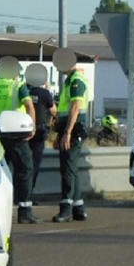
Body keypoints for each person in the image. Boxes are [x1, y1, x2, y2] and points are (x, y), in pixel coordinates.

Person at [0, 57, 39, 224]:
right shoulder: (18, 86)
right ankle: (25, 211)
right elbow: (29, 106)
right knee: (25, 169)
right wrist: (32, 127)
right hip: (16, 135)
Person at [52, 49, 89, 223]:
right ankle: (78, 208)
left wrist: (67, 132)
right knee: (71, 169)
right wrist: (60, 134)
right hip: (68, 129)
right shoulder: (69, 81)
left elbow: (75, 107)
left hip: (73, 130)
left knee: (67, 169)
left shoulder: (76, 81)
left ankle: (66, 209)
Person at [25, 65, 57, 199]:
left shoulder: (23, 90)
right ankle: (29, 194)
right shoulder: (44, 93)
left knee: (22, 165)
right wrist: (48, 90)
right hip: (39, 131)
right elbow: (54, 111)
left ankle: (19, 194)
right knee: (35, 164)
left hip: (23, 130)